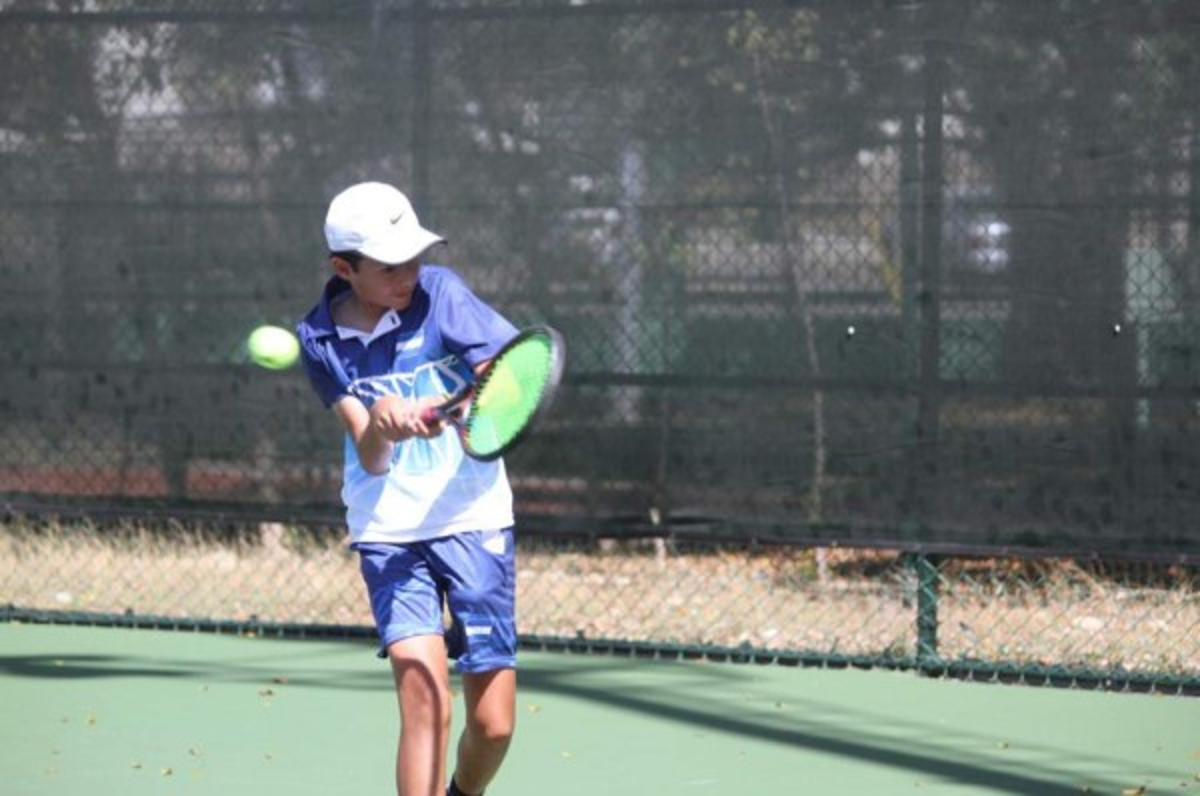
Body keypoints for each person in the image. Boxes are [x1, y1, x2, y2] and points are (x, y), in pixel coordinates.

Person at [296, 181, 519, 796]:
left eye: (415, 257)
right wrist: (385, 426)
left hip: (474, 518)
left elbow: (501, 380)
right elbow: (369, 457)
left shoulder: (442, 293)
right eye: (391, 266)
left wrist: (451, 405)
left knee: (493, 726)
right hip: (389, 533)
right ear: (345, 268)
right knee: (426, 702)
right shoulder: (318, 340)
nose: (409, 274)